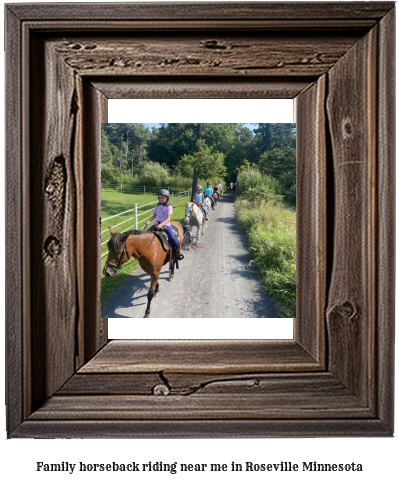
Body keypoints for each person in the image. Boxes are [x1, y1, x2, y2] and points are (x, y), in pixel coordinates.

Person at [146, 189, 184, 260]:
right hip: (156, 224)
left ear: (167, 199)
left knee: (173, 238)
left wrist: (161, 225)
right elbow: (154, 216)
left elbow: (168, 219)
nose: (161, 199)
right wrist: (149, 221)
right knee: (145, 234)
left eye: (163, 198)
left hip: (166, 225)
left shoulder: (169, 207)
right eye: (160, 197)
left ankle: (178, 251)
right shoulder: (157, 206)